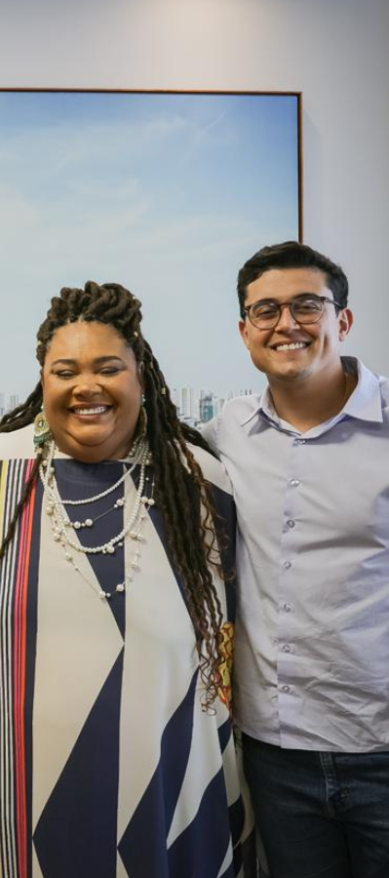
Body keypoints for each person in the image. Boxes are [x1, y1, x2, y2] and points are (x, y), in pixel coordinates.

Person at [0, 282, 252, 878]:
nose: (87, 386)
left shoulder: (200, 482)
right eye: (65, 370)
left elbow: (228, 646)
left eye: (109, 368)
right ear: (43, 381)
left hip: (170, 792)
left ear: (142, 377)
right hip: (12, 800)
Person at [202, 241, 389, 877]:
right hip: (275, 753)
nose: (287, 324)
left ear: (344, 320)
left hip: (380, 745)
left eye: (307, 305)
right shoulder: (226, 432)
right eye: (267, 311)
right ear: (245, 330)